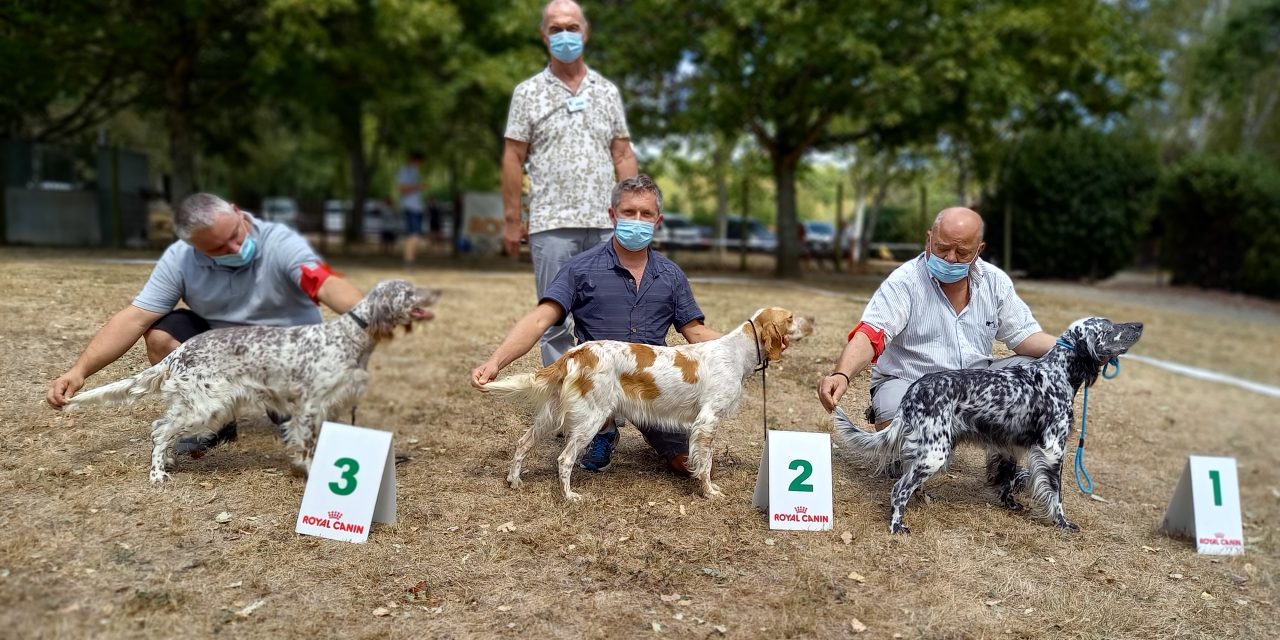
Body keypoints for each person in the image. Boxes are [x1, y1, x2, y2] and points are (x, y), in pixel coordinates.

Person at [47, 193, 366, 455]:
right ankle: (214, 421)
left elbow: (324, 283)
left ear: (239, 213)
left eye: (235, 236)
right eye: (218, 248)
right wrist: (79, 371)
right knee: (160, 336)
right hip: (224, 350)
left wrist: (370, 314)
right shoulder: (180, 259)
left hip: (288, 350)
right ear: (193, 246)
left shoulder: (279, 242)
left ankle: (287, 410)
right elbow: (135, 317)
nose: (235, 249)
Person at [473, 175, 718, 475]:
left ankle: (663, 437)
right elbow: (540, 319)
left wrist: (751, 342)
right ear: (612, 215)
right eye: (629, 212)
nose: (637, 220)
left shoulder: (671, 274)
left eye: (646, 214)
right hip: (599, 384)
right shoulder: (580, 268)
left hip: (652, 388)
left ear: (658, 220)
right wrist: (495, 362)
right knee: (593, 401)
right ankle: (603, 433)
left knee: (689, 467)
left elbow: (696, 333)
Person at [817, 207, 1057, 428]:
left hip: (975, 385)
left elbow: (1025, 337)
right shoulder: (904, 281)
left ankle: (1005, 467)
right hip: (911, 383)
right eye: (942, 248)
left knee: (1037, 374)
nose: (950, 258)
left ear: (979, 249)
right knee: (893, 411)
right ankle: (905, 452)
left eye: (963, 252)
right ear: (928, 239)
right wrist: (842, 374)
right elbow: (871, 334)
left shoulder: (995, 281)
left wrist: (1076, 348)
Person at [502, 0, 638, 367]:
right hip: (551, 224)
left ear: (586, 32)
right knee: (555, 320)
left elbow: (622, 154)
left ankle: (607, 403)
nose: (565, 35)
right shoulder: (527, 93)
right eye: (556, 28)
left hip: (605, 224)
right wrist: (513, 220)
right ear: (544, 36)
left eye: (572, 27)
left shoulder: (606, 91)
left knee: (611, 316)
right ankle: (564, 404)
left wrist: (633, 215)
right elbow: (513, 157)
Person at [398, 150, 427, 268]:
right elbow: (402, 190)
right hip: (411, 207)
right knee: (414, 235)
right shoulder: (405, 171)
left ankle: (410, 259)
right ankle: (408, 260)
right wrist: (418, 187)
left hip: (416, 207)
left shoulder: (415, 172)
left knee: (415, 235)